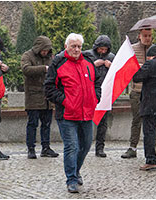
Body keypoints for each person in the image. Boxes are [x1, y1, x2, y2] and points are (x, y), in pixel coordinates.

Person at [44, 33, 101, 193]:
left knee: (86, 144)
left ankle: (75, 171)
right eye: (73, 46)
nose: (76, 49)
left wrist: (95, 97)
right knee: (72, 146)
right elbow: (49, 88)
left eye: (79, 46)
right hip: (67, 114)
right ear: (66, 47)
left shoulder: (89, 62)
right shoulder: (58, 63)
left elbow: (97, 81)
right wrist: (66, 101)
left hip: (86, 113)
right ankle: (71, 179)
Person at [21, 36, 59, 159]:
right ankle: (31, 149)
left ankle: (46, 147)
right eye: (44, 50)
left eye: (47, 50)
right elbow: (26, 69)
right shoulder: (27, 56)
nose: (45, 52)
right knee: (32, 124)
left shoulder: (50, 57)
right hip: (33, 97)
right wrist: (44, 69)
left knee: (46, 124)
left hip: (47, 97)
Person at [121, 28, 153, 159]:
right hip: (137, 90)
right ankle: (133, 147)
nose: (147, 38)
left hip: (151, 91)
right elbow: (126, 67)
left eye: (150, 35)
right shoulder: (132, 49)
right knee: (136, 120)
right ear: (139, 36)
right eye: (145, 35)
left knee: (151, 121)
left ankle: (151, 147)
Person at [84, 35, 115, 157]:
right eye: (100, 49)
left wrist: (110, 67)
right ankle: (84, 145)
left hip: (105, 93)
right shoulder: (88, 55)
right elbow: (80, 70)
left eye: (105, 49)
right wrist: (93, 65)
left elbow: (117, 73)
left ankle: (100, 147)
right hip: (89, 92)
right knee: (86, 120)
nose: (103, 51)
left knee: (103, 122)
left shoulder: (112, 57)